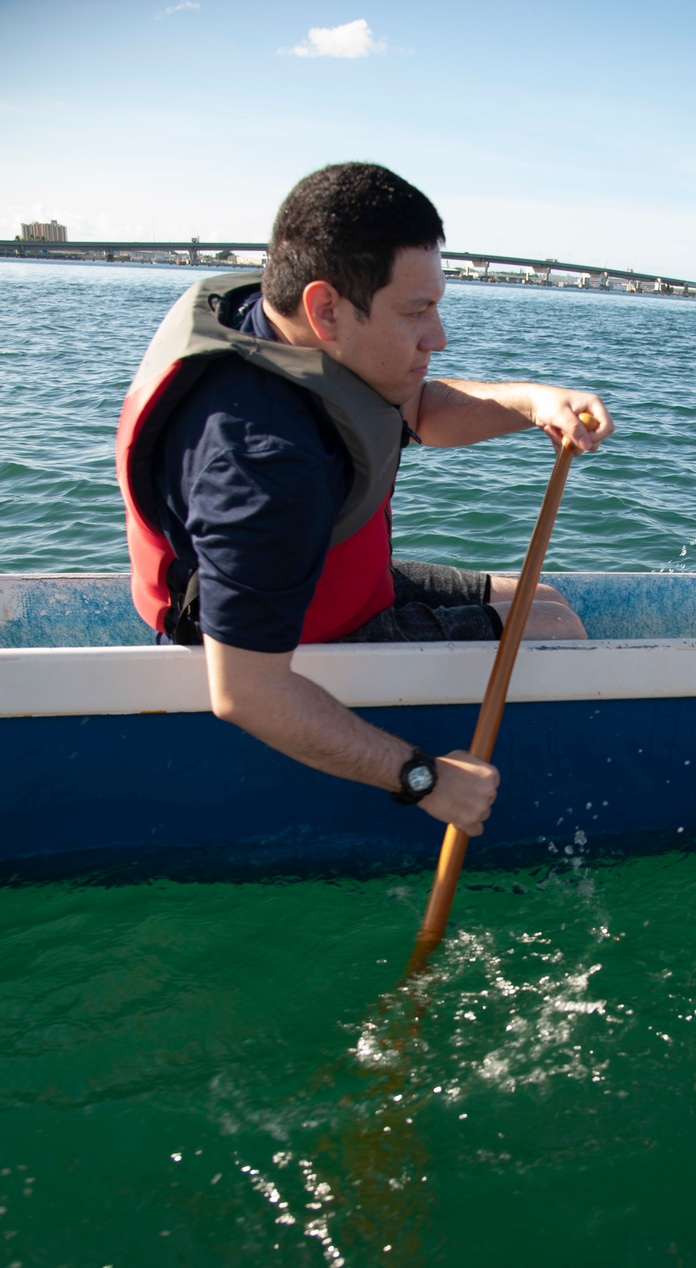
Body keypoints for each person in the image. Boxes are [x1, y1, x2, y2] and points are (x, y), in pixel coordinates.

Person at [116, 163, 614, 839]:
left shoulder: (279, 325)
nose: (437, 336)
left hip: (333, 578)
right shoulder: (261, 466)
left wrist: (535, 404)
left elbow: (417, 410)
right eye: (415, 312)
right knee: (557, 631)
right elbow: (246, 694)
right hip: (296, 639)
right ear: (326, 308)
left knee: (544, 598)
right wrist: (424, 778)